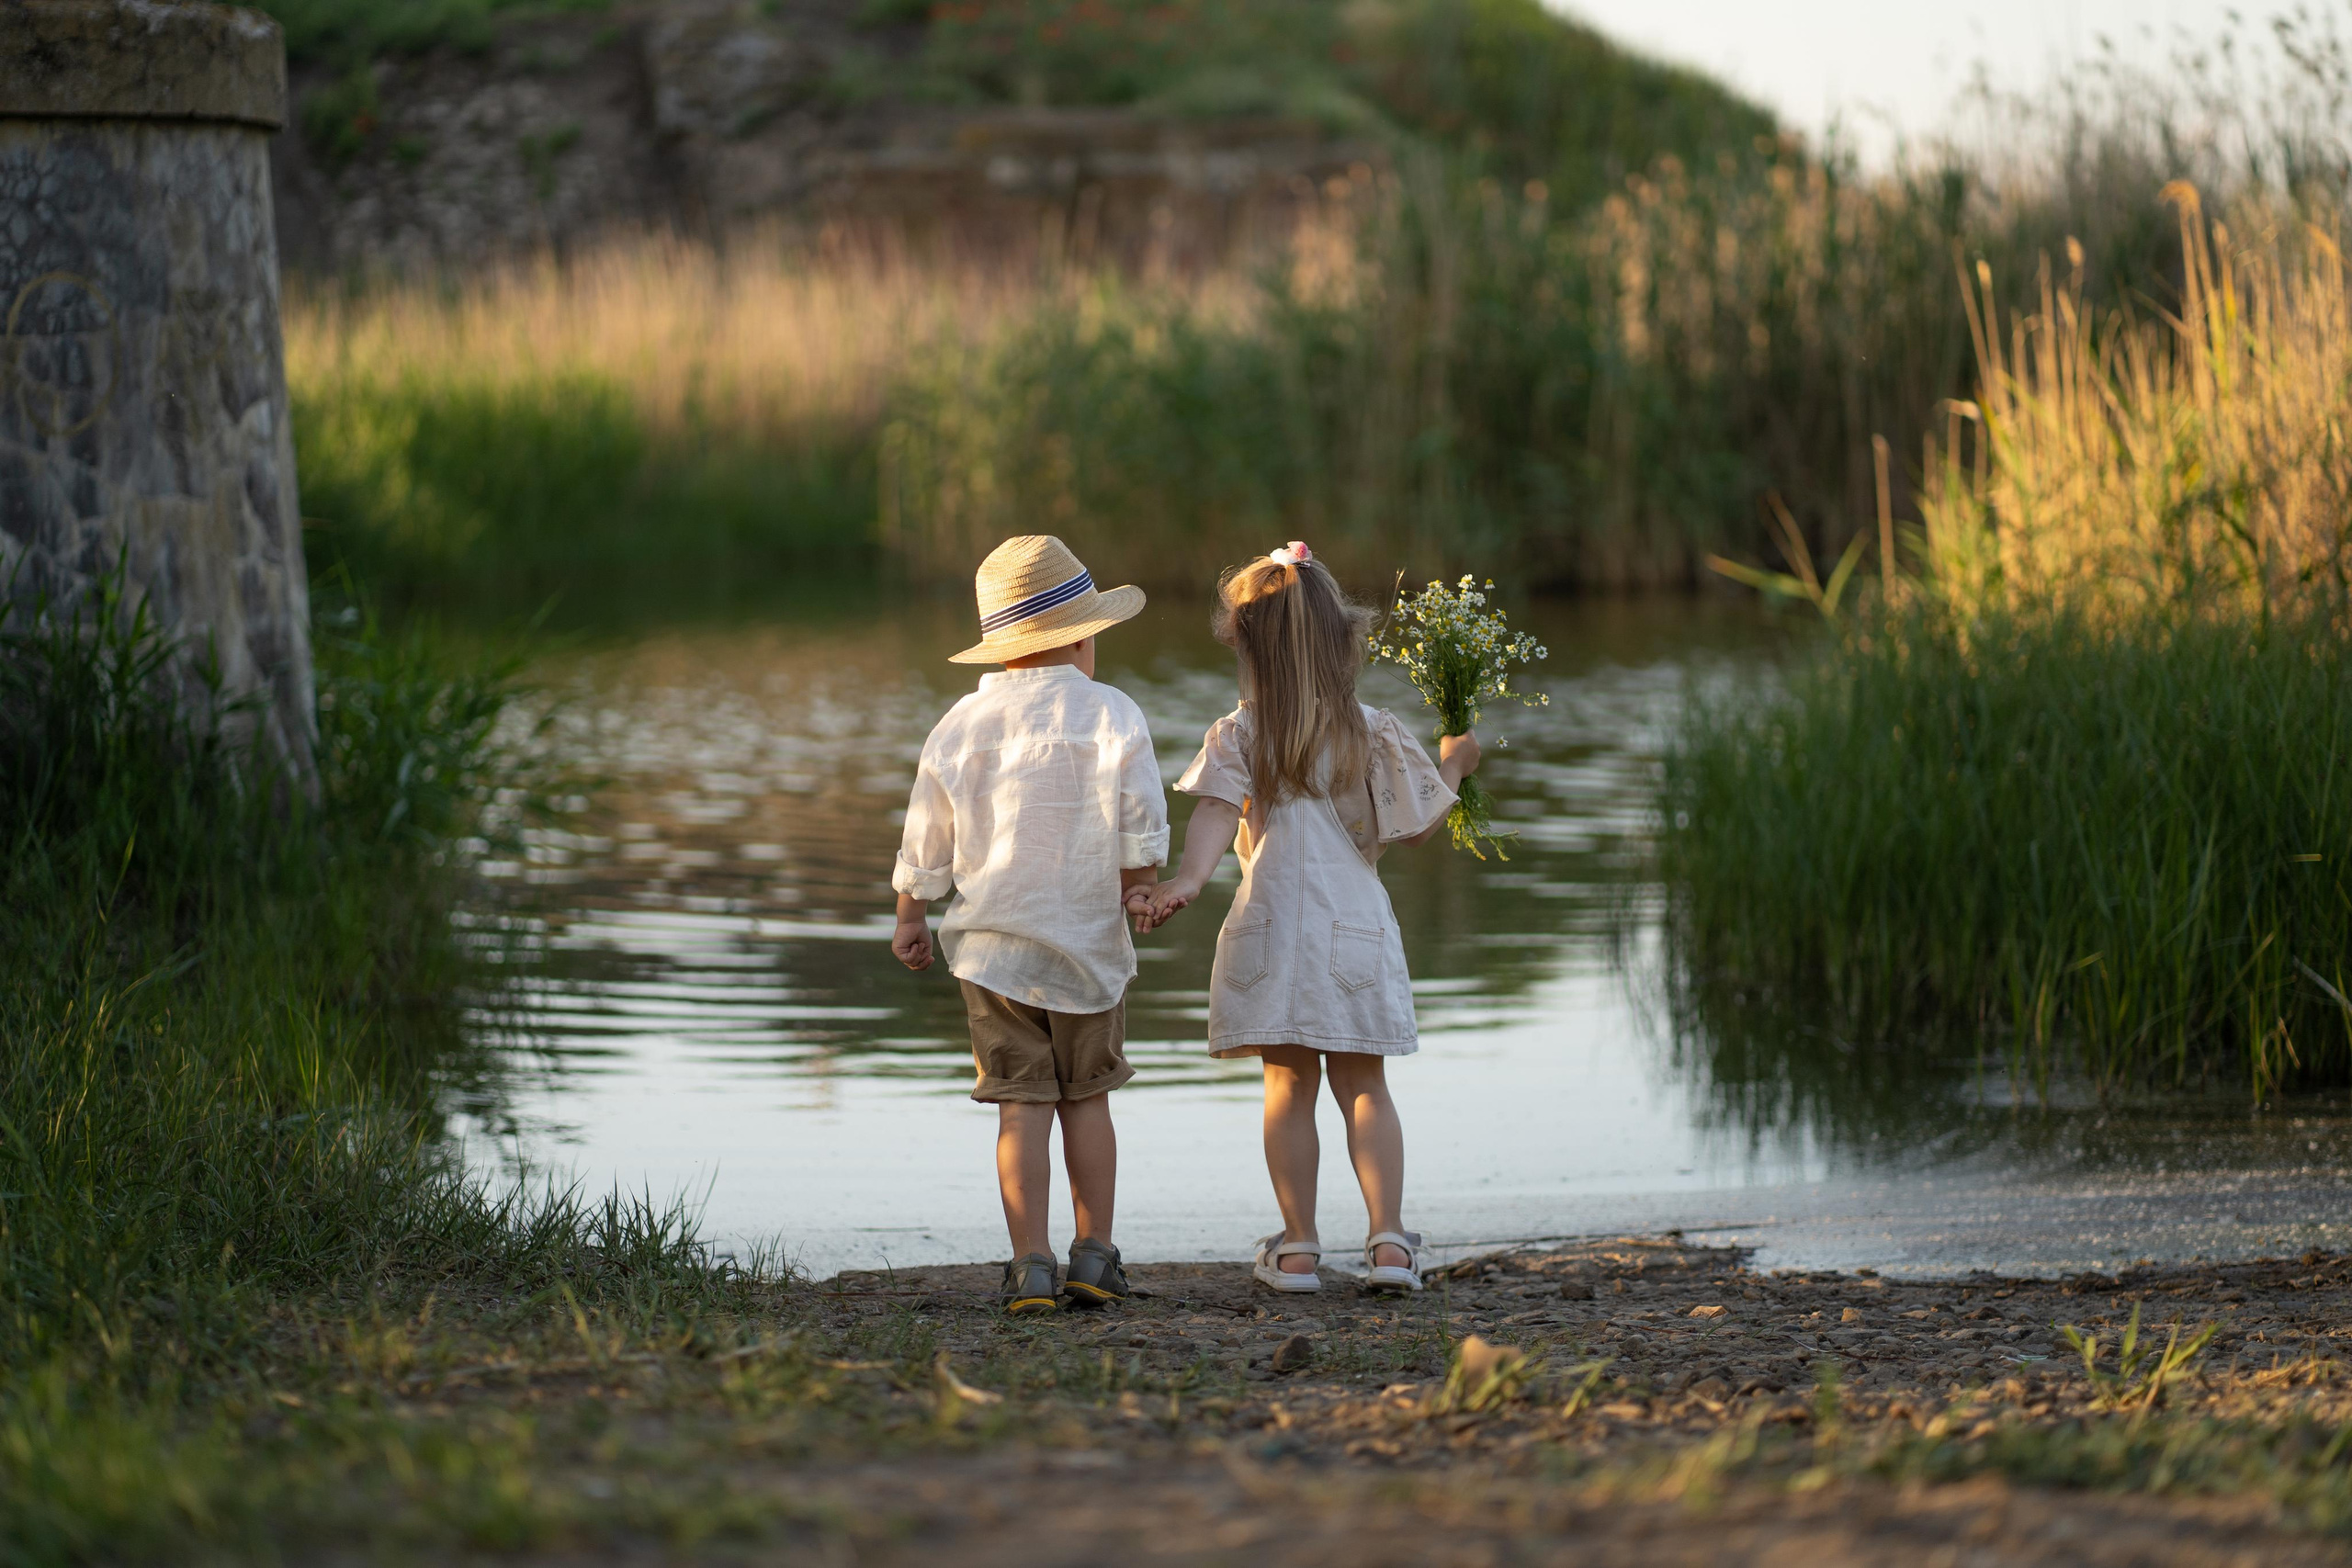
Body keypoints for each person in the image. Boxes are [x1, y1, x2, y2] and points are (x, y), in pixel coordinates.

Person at [1142, 543, 1480, 1294]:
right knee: (1366, 1085)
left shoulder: (1240, 734)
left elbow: (1212, 813)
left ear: (1245, 643)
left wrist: (1189, 879)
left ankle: (1298, 1249)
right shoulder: (1370, 730)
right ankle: (1389, 1243)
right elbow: (1418, 825)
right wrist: (1457, 762)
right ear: (1341, 643)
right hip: (1351, 930)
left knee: (1286, 1087)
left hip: (1270, 928)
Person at [890, 536, 1166, 1314]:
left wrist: (912, 913)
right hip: (1086, 946)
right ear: (1080, 637)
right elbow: (1139, 819)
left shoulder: (960, 722)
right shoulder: (1114, 713)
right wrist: (1141, 886)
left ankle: (1030, 1265)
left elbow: (926, 834)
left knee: (1020, 1105)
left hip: (992, 951)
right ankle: (1094, 1255)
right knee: (1089, 1098)